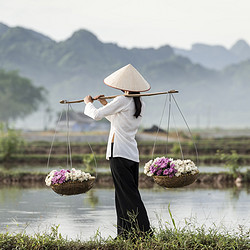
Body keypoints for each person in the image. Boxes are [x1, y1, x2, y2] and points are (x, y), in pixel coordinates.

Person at [83, 64, 151, 239]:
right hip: (131, 155)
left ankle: (144, 231)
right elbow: (116, 120)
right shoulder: (139, 103)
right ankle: (125, 234)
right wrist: (106, 103)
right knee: (125, 194)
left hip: (119, 153)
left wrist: (88, 104)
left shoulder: (122, 100)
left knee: (126, 195)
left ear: (124, 86)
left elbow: (96, 115)